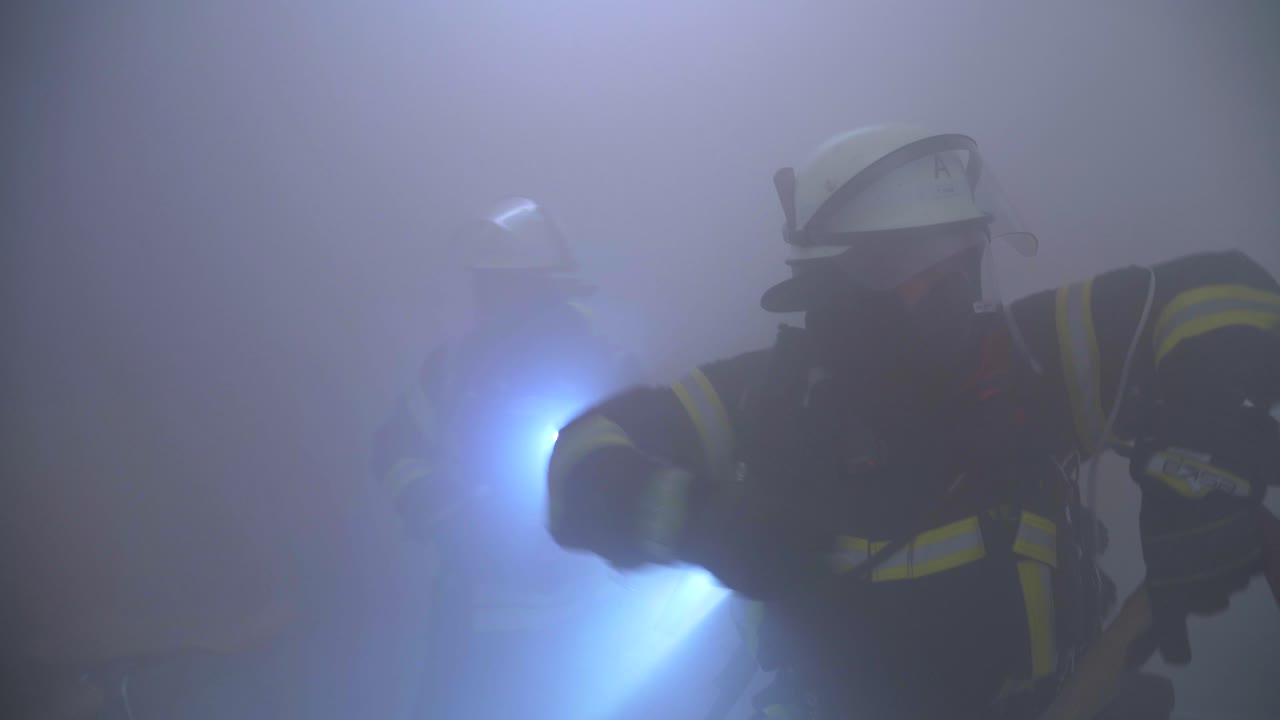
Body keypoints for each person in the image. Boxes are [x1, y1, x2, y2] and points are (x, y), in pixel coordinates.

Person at [546, 125, 1280, 719]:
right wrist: (698, 521)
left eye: (957, 255)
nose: (943, 288)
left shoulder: (1030, 362)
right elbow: (580, 460)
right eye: (904, 261)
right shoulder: (757, 399)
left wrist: (1206, 450)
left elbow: (1224, 292)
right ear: (826, 280)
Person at [371, 196, 655, 719]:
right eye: (483, 283)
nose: (486, 297)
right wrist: (434, 504)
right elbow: (397, 446)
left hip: (586, 617)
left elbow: (647, 454)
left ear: (539, 284)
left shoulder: (600, 353)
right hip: (477, 604)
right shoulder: (457, 366)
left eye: (498, 283)